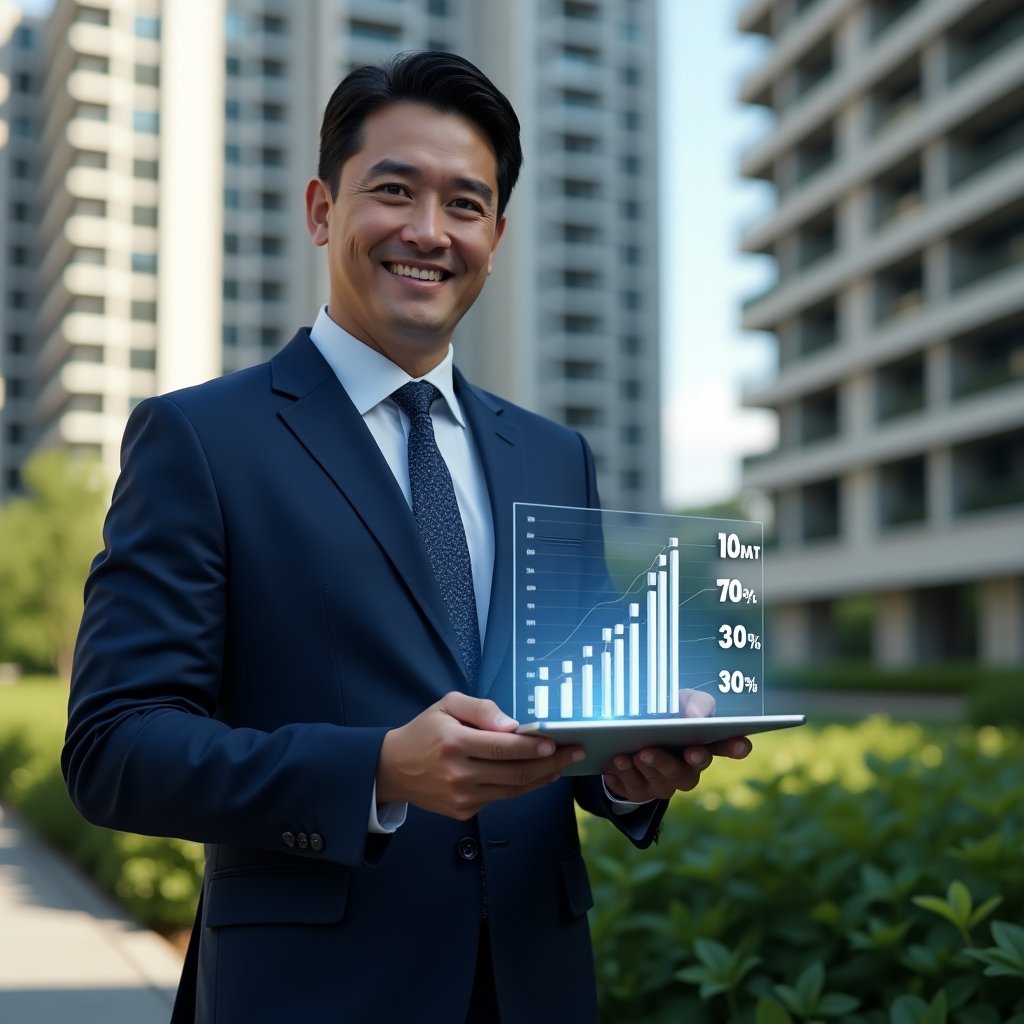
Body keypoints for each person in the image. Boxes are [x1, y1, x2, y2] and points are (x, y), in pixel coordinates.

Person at [62, 51, 750, 1023]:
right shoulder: (203, 440)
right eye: (394, 190)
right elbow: (114, 747)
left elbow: (572, 724)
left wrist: (631, 769)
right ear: (320, 209)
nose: (429, 231)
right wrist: (377, 768)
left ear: (496, 235)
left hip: (534, 984)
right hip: (309, 994)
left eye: (464, 204)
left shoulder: (554, 457)